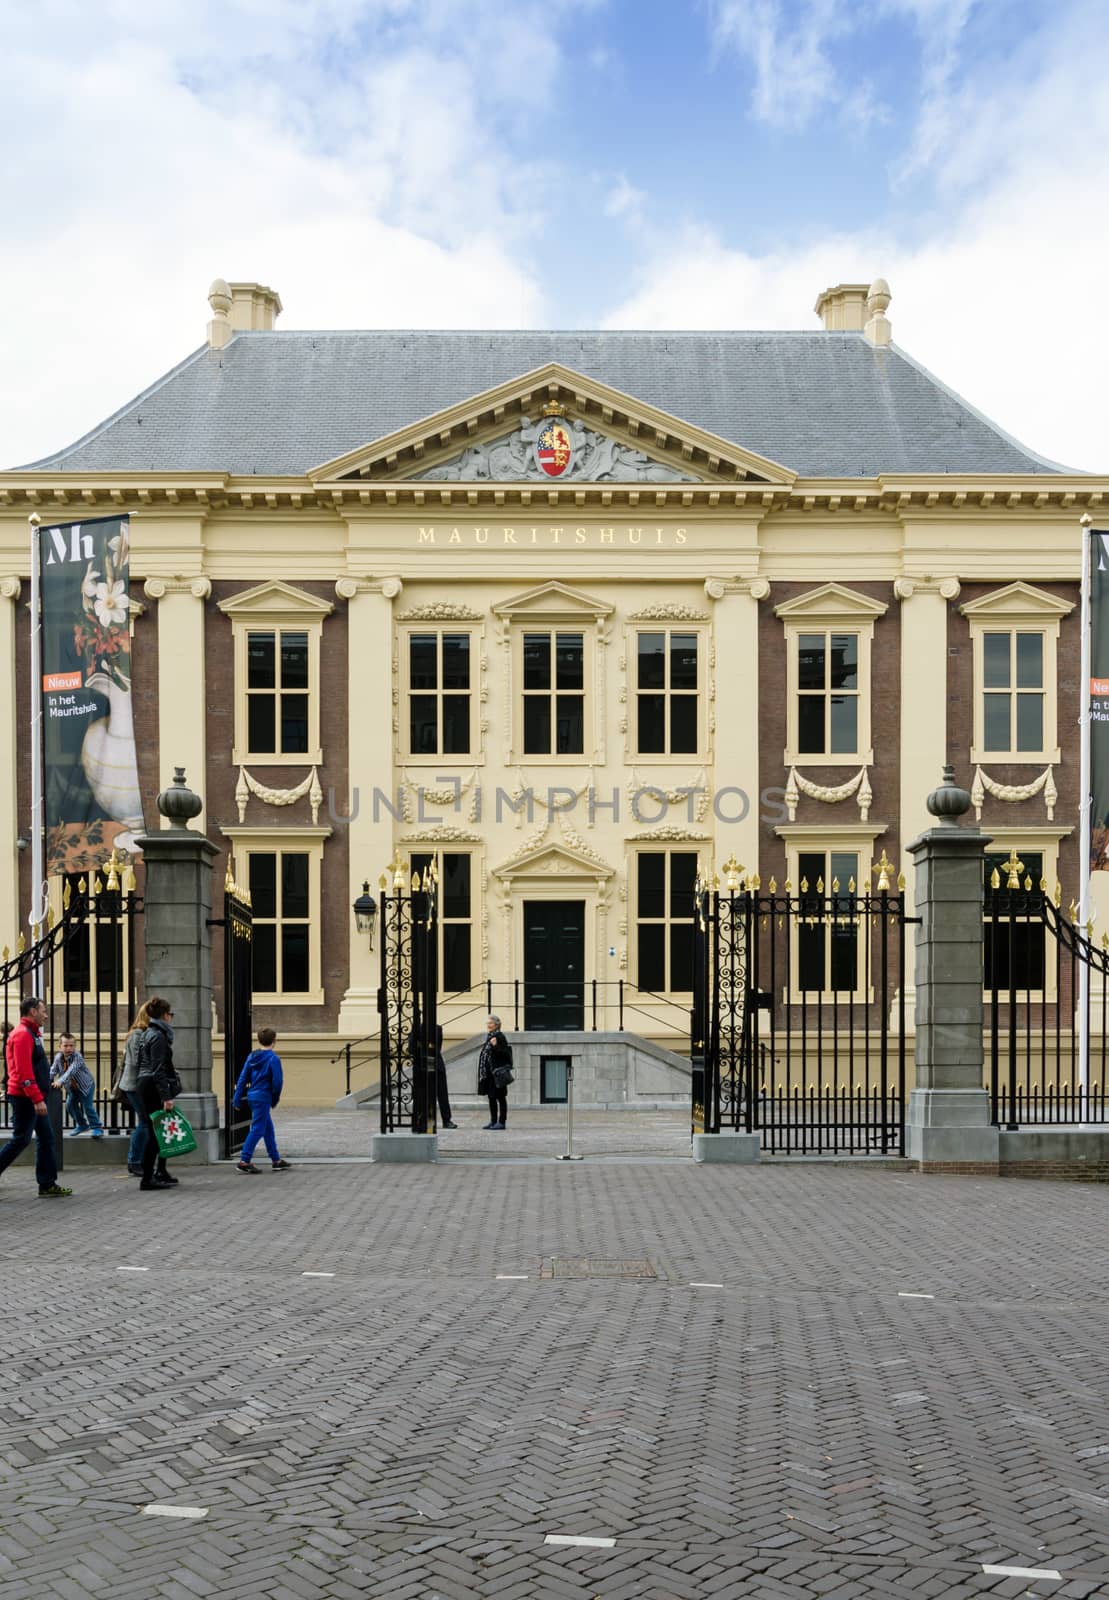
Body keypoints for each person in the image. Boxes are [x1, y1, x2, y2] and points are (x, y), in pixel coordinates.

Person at [0, 996, 72, 1197]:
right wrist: (37, 1099)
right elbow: (23, 1072)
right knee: (21, 1139)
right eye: (43, 1011)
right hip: (26, 1098)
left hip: (31, 1096)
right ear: (33, 1012)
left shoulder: (30, 1034)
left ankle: (47, 1184)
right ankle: (47, 1183)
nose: (46, 1015)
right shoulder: (23, 1035)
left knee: (46, 1138)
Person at [135, 997, 180, 1192]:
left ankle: (160, 1171)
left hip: (146, 1084)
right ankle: (147, 1178)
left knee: (160, 1131)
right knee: (156, 1134)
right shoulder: (159, 1036)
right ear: (164, 1015)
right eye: (170, 1014)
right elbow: (158, 1069)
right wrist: (166, 1097)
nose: (171, 1018)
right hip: (153, 1086)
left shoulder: (147, 1033)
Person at [233, 1026, 291, 1173]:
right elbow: (277, 1082)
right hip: (263, 1097)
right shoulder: (273, 1058)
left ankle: (276, 1160)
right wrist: (275, 1099)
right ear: (274, 1040)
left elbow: (242, 1078)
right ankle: (244, 1161)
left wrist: (237, 1098)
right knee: (258, 1129)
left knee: (268, 1128)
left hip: (252, 1095)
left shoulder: (251, 1057)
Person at [117, 1002, 152, 1176]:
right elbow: (138, 1063)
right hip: (135, 1085)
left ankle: (140, 1160)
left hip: (136, 1084)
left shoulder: (141, 1034)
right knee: (145, 1122)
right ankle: (135, 1161)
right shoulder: (139, 1035)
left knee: (146, 1122)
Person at [51, 1034, 105, 1138]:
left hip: (85, 1085)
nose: (69, 1048)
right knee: (70, 1105)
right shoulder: (58, 1057)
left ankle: (97, 1127)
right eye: (66, 1045)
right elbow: (53, 1070)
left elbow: (71, 1071)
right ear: (60, 1046)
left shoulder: (77, 1057)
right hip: (72, 1087)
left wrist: (59, 1081)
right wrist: (47, 1080)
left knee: (87, 1106)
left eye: (71, 1045)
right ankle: (82, 1125)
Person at [477, 1014, 512, 1131]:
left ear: (496, 1025)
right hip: (489, 1074)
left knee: (501, 1097)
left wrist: (495, 1045)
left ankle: (502, 1122)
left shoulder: (500, 1037)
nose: (488, 1025)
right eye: (488, 1023)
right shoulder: (490, 1036)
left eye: (490, 1023)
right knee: (491, 1097)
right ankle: (493, 1121)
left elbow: (505, 1054)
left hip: (497, 1073)